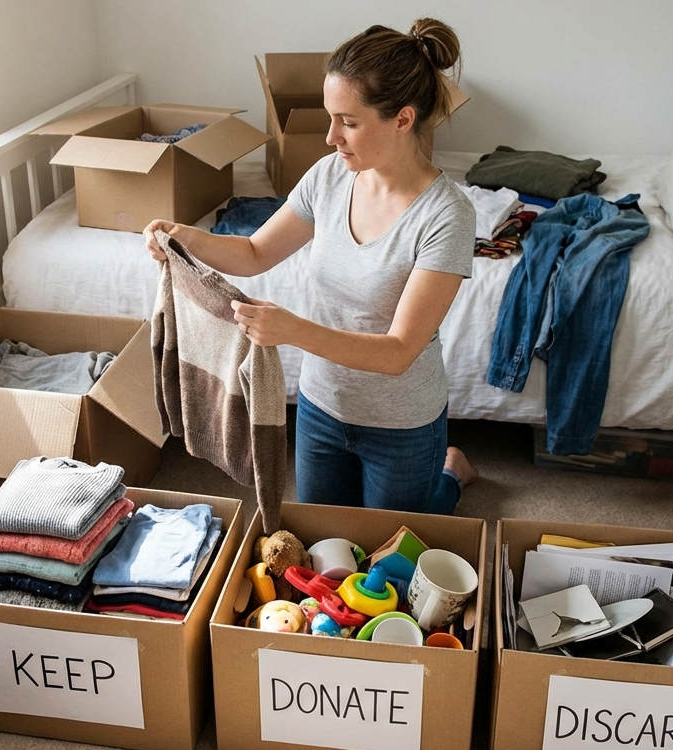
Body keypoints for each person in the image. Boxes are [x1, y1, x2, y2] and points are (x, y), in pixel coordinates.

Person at [144, 18, 478, 514]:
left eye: (348, 121)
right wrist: (185, 238)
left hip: (402, 422)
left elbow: (399, 353)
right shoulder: (328, 177)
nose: (329, 137)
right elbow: (256, 253)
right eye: (330, 117)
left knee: (397, 558)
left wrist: (291, 330)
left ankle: (451, 473)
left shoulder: (447, 214)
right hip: (321, 407)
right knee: (324, 547)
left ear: (403, 120)